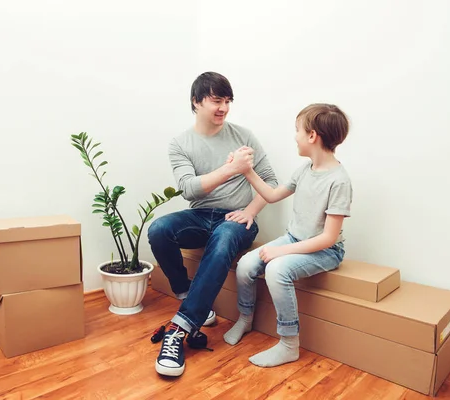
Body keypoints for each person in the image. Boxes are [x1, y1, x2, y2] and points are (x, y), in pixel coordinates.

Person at [147, 71, 278, 377]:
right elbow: (190, 189)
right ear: (196, 102)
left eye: (228, 101)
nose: (224, 107)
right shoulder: (180, 143)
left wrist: (250, 210)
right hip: (199, 215)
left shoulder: (243, 135)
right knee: (158, 230)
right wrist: (232, 168)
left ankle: (178, 331)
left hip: (235, 218)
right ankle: (188, 295)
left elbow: (271, 181)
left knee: (222, 242)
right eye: (216, 100)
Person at [223, 103, 352, 368]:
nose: (294, 136)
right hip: (295, 239)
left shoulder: (339, 181)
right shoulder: (305, 170)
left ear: (312, 136)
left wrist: (280, 252)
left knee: (276, 270)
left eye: (297, 130)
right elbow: (271, 196)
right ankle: (245, 318)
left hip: (326, 250)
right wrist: (246, 171)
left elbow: (328, 238)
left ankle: (289, 344)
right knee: (247, 264)